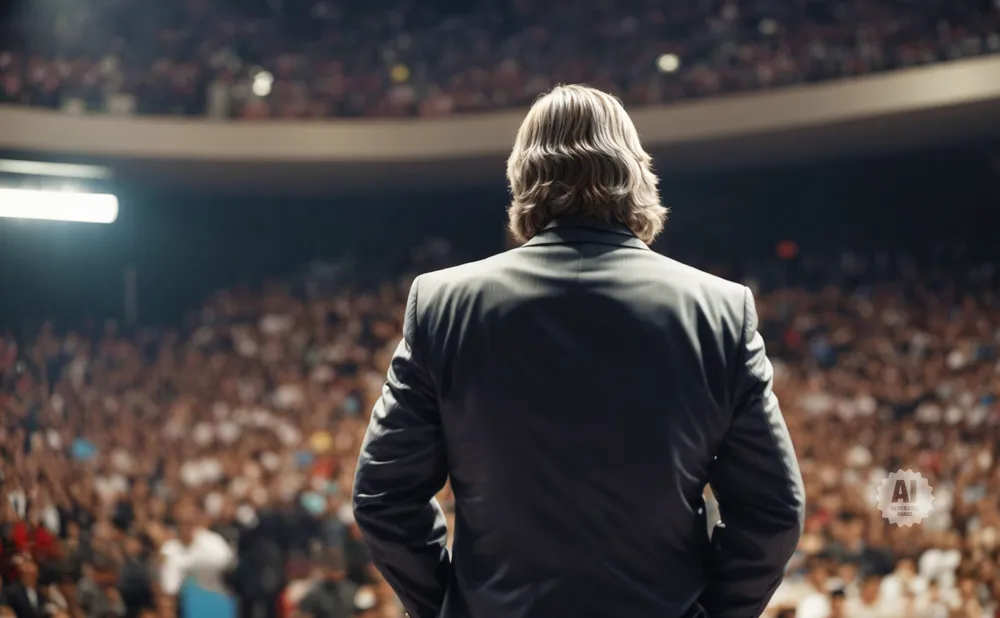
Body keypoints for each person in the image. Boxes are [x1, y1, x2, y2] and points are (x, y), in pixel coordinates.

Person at [352, 84, 806, 618]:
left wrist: (453, 606)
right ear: (636, 174)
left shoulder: (443, 304)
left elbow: (384, 497)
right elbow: (773, 510)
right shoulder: (722, 310)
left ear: (522, 178)